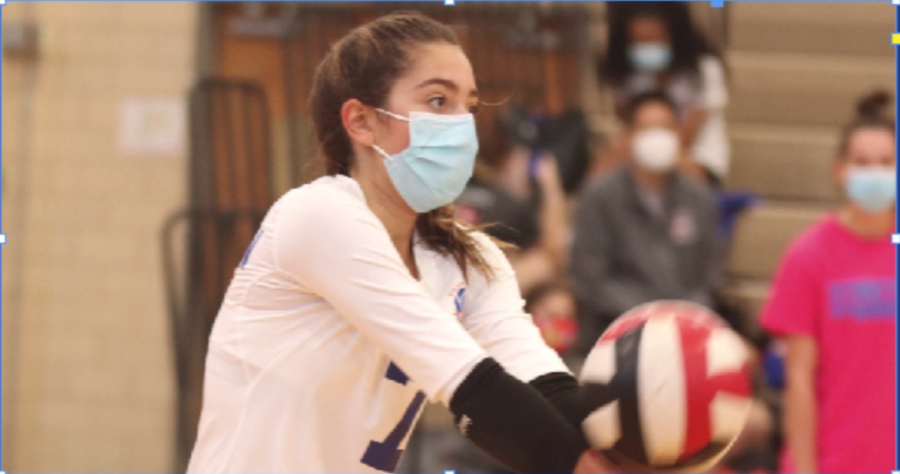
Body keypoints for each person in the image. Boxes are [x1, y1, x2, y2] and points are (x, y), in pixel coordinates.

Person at [186, 12, 615, 474]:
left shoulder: (470, 258)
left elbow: (542, 383)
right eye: (437, 101)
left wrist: (634, 447)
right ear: (361, 121)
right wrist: (586, 466)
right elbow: (472, 384)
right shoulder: (317, 216)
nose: (461, 124)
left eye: (468, 106)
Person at [760, 91, 896, 473]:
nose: (876, 173)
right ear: (841, 170)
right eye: (863, 162)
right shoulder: (809, 255)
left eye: (886, 162)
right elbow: (798, 380)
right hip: (833, 460)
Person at [569, 90, 720, 357]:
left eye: (664, 128)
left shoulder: (698, 198)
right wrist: (650, 315)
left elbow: (709, 275)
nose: (657, 137)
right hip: (617, 334)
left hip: (685, 332)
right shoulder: (600, 197)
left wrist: (681, 316)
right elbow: (590, 279)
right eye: (647, 129)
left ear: (678, 134)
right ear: (629, 135)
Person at [594, 2, 729, 186]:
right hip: (636, 157)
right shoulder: (624, 71)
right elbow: (626, 120)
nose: (647, 47)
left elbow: (685, 138)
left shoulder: (704, 70)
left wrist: (648, 144)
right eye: (639, 41)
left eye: (654, 40)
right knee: (613, 153)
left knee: (660, 148)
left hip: (692, 158)